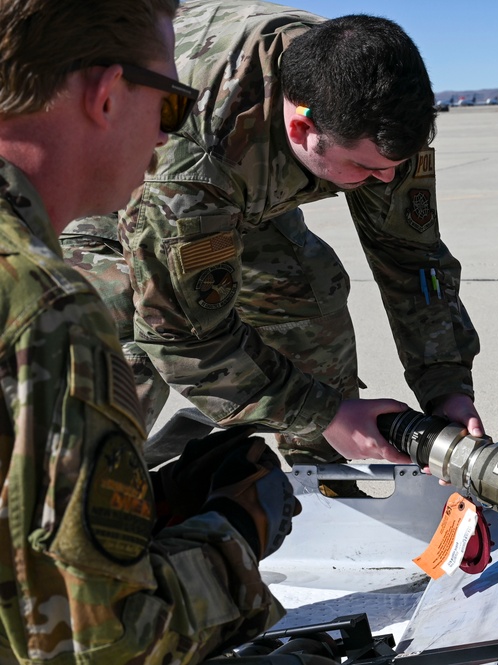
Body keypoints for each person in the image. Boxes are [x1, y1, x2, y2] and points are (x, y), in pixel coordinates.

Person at [60, 0, 482, 468]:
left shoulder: (371, 95)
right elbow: (180, 336)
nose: (387, 182)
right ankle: (76, 490)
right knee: (124, 334)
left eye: (393, 168)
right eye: (365, 168)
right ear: (302, 128)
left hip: (239, 180)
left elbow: (411, 257)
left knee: (305, 293)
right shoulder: (194, 162)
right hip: (111, 178)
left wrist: (447, 386)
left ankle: (324, 477)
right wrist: (321, 412)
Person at [0, 0, 297, 660]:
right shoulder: (44, 306)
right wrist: (234, 535)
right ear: (107, 95)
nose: (172, 134)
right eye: (169, 102)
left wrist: (147, 506)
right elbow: (96, 645)